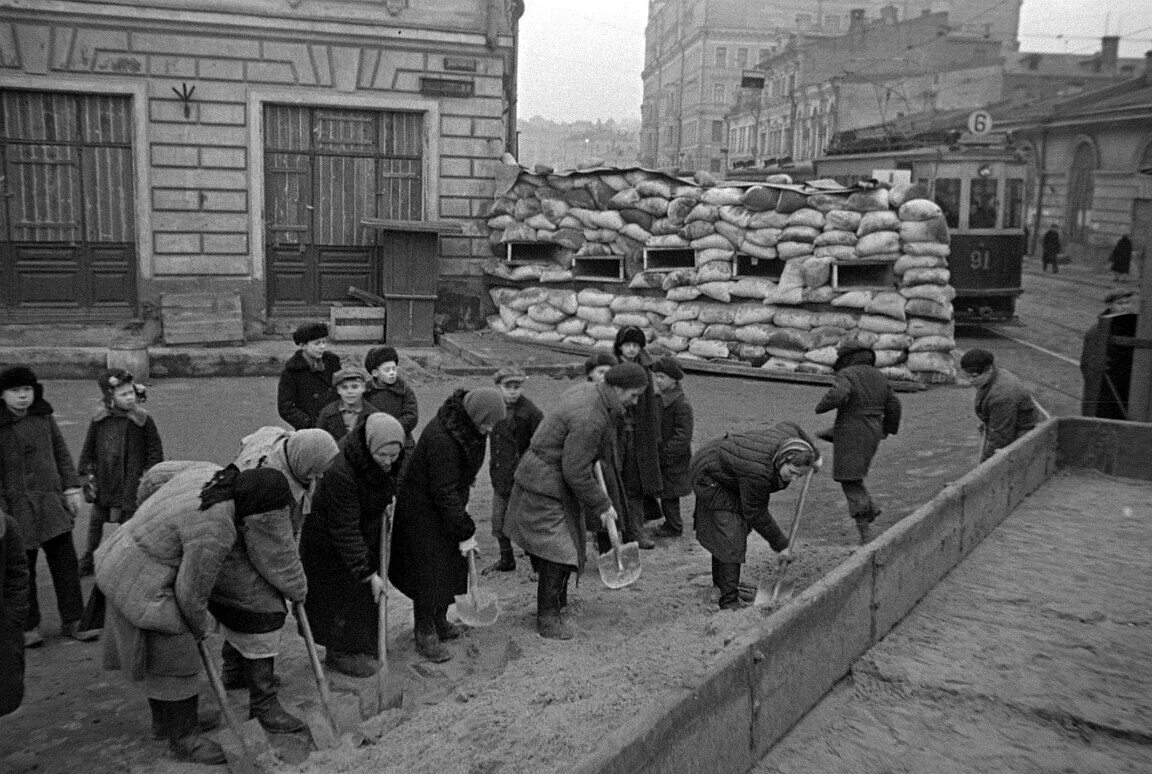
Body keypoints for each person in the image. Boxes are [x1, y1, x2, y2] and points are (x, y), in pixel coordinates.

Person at [96, 465, 290, 763]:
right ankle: (184, 737)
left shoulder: (215, 478)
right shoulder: (217, 526)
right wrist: (200, 628)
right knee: (178, 652)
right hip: (141, 574)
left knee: (160, 650)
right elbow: (191, 594)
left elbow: (157, 476)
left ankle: (166, 722)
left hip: (124, 554)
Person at [504, 363, 647, 640]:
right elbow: (575, 470)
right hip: (545, 482)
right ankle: (547, 618)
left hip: (549, 477)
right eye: (633, 394)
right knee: (559, 550)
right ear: (618, 388)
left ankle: (559, 602)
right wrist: (603, 504)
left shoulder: (593, 393)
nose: (635, 401)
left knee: (569, 539)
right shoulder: (590, 417)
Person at [389, 388, 505, 663]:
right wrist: (464, 529)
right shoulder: (442, 438)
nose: (489, 429)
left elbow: (459, 476)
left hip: (447, 501)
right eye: (487, 422)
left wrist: (464, 491)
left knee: (451, 565)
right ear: (475, 415)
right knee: (428, 571)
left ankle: (440, 619)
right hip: (422, 509)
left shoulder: (471, 429)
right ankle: (424, 631)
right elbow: (442, 489)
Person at [229, 426, 338, 690]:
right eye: (315, 470)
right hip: (242, 534)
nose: (320, 476)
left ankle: (236, 671)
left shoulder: (289, 444)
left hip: (258, 524)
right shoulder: (270, 484)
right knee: (262, 604)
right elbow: (276, 555)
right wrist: (297, 589)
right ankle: (257, 689)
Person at [301, 413, 405, 678]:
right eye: (383, 455)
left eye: (394, 455)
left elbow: (389, 483)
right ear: (369, 446)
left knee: (365, 598)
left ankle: (362, 646)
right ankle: (339, 653)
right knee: (342, 595)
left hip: (363, 530)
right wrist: (368, 573)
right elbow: (344, 528)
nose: (389, 461)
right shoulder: (342, 471)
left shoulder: (389, 459)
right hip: (329, 541)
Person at [0, 366, 97, 646]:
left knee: (65, 564)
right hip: (15, 508)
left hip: (51, 502)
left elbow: (61, 452)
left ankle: (74, 619)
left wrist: (71, 488)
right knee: (22, 569)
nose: (22, 397)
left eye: (27, 390)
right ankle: (28, 626)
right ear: (2, 395)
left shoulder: (44, 416)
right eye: (15, 391)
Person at [690, 422, 821, 611]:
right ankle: (728, 601)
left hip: (728, 469)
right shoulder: (759, 472)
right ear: (784, 459)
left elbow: (793, 426)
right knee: (730, 533)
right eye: (792, 473)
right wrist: (781, 545)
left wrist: (816, 456)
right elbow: (756, 512)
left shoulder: (790, 438)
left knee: (734, 529)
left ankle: (724, 585)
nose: (794, 479)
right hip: (708, 476)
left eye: (799, 476)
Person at [77, 370, 164, 576]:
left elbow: (154, 450)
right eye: (123, 394)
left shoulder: (142, 420)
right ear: (111, 397)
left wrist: (152, 475)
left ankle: (129, 562)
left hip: (131, 482)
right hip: (105, 480)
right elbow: (88, 447)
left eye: (131, 393)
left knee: (129, 525)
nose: (130, 397)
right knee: (96, 521)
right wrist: (85, 473)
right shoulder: (100, 419)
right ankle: (89, 557)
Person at [814, 342, 902, 545]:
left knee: (850, 479)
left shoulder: (847, 374)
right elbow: (894, 405)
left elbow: (839, 394)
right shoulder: (880, 376)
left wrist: (821, 407)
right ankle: (869, 510)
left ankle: (865, 526)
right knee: (854, 472)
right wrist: (888, 428)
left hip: (852, 428)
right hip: (873, 429)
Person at [484, 366, 544, 575]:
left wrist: (528, 465)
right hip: (500, 473)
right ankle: (506, 558)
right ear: (498, 387)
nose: (512, 391)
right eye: (507, 387)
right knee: (498, 520)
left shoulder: (530, 412)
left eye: (517, 387)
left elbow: (541, 443)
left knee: (528, 522)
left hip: (524, 477)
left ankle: (538, 563)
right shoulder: (493, 408)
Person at [613, 326, 663, 550]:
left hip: (637, 435)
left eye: (636, 345)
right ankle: (609, 533)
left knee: (635, 485)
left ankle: (636, 531)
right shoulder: (612, 368)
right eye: (628, 345)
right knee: (611, 480)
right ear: (619, 346)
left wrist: (654, 436)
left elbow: (650, 406)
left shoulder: (646, 370)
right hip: (616, 432)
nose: (632, 349)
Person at [959, 349, 1039, 462]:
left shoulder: (1001, 396)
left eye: (974, 376)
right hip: (1010, 422)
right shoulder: (994, 375)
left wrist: (985, 465)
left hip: (1021, 432)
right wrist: (988, 420)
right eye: (967, 376)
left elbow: (1000, 439)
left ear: (989, 370)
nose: (970, 380)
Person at [649, 357, 693, 538]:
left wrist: (666, 455)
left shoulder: (681, 404)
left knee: (669, 495)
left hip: (673, 460)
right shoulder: (660, 398)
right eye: (657, 377)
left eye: (662, 377)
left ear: (674, 379)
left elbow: (683, 436)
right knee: (665, 493)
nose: (658, 381)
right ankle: (670, 523)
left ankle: (674, 527)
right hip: (664, 457)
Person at [278, 322, 341, 429]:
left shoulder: (332, 362)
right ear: (303, 345)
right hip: (311, 429)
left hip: (336, 423)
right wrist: (308, 423)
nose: (322, 347)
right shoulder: (292, 372)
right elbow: (285, 408)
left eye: (323, 342)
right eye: (317, 344)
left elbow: (341, 387)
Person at [363, 345, 419, 456]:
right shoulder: (366, 392)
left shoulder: (404, 390)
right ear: (375, 373)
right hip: (374, 443)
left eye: (394, 368)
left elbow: (411, 415)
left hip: (402, 442)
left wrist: (392, 430)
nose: (392, 372)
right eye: (387, 370)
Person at [1, 507, 29, 718]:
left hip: (3, 625)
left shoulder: (6, 526)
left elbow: (16, 573)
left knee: (7, 691)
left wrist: (13, 616)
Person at [315, 366, 377, 442]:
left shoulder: (373, 415)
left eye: (355, 387)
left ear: (363, 388)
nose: (349, 391)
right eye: (344, 387)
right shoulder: (327, 413)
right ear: (338, 390)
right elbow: (318, 442)